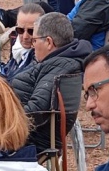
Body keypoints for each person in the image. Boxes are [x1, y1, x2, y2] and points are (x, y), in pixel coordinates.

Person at [9, 12, 90, 147]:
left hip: (25, 140)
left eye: (35, 40)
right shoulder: (62, 61)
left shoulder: (60, 66)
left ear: (48, 42)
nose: (32, 45)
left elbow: (36, 109)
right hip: (24, 133)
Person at [0, 3, 44, 80]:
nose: (25, 37)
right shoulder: (17, 46)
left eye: (31, 31)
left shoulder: (41, 59)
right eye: (20, 30)